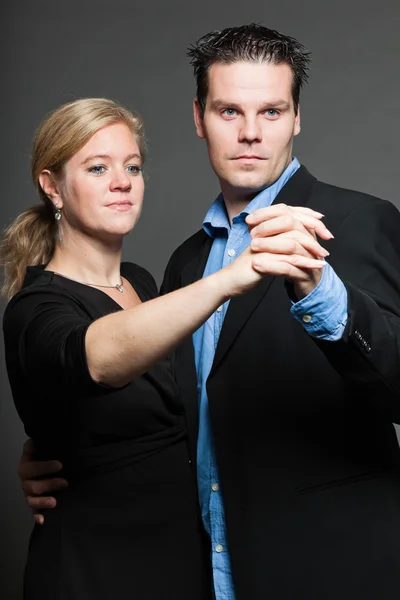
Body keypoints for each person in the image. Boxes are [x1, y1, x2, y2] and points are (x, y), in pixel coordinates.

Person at [16, 24, 400, 600]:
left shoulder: (359, 221)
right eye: (228, 112)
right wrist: (57, 452)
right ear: (198, 118)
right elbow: (158, 400)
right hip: (200, 572)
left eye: (271, 111)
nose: (250, 134)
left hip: (328, 570)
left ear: (297, 117)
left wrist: (323, 291)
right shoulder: (186, 264)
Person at [1, 96, 327, 599]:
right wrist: (228, 280)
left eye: (132, 166)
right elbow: (97, 359)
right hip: (96, 568)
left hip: (178, 559)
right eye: (97, 167)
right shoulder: (36, 305)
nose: (122, 182)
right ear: (52, 185)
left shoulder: (143, 283)